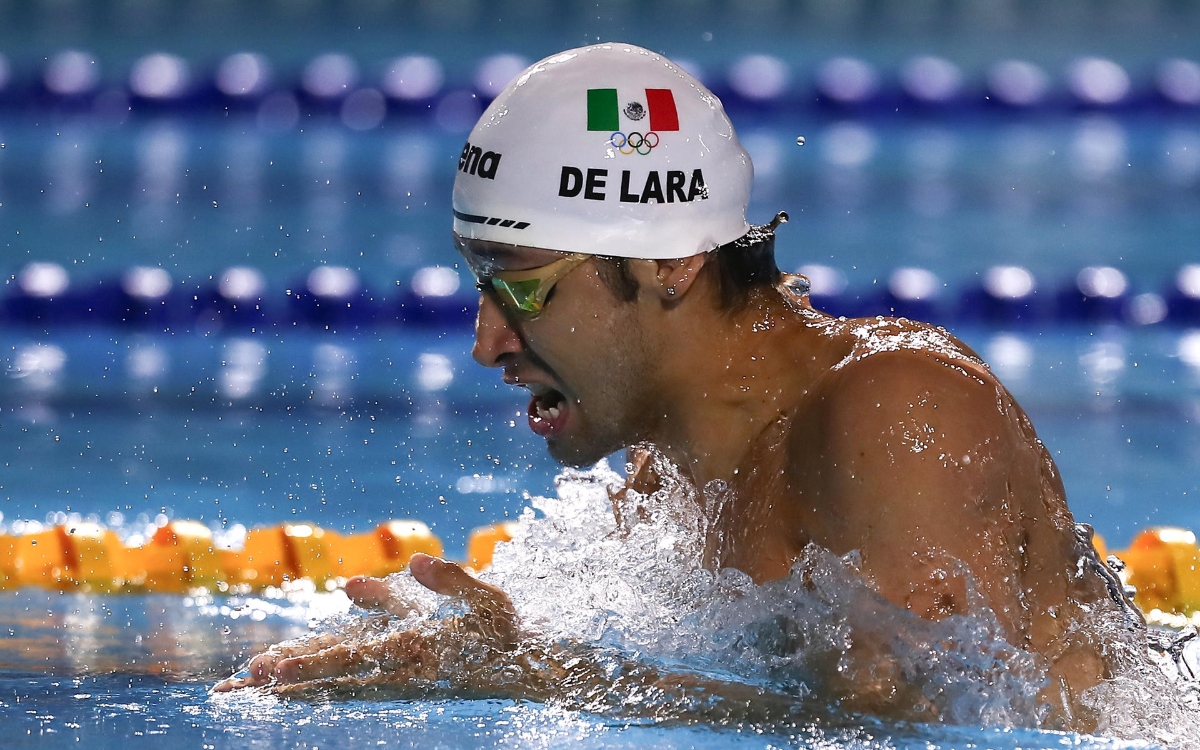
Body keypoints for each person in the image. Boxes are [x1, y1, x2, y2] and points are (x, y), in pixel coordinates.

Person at [215, 43, 1141, 728]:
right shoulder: (671, 478)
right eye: (479, 283)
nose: (486, 341)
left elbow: (942, 732)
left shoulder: (895, 415)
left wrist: (533, 674)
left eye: (525, 284)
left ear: (673, 262)